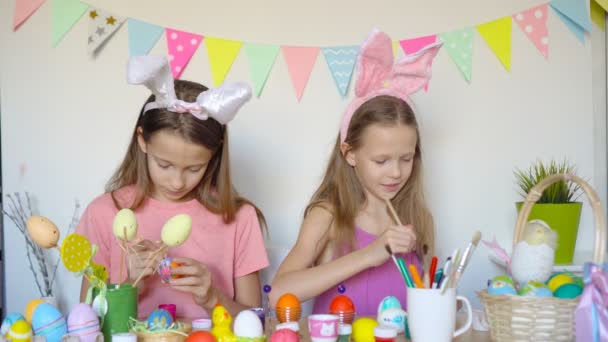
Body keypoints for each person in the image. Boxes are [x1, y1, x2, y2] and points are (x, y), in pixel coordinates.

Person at [77, 56, 269, 319]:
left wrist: (213, 297)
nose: (178, 182)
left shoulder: (238, 217)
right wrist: (129, 284)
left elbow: (255, 322)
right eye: (164, 164)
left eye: (194, 169)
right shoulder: (105, 213)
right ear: (142, 141)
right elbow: (86, 324)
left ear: (215, 154)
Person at [271, 30, 440, 316]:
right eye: (381, 160)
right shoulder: (328, 216)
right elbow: (277, 293)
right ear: (350, 154)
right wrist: (370, 255)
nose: (396, 172)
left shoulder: (419, 218)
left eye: (406, 158)